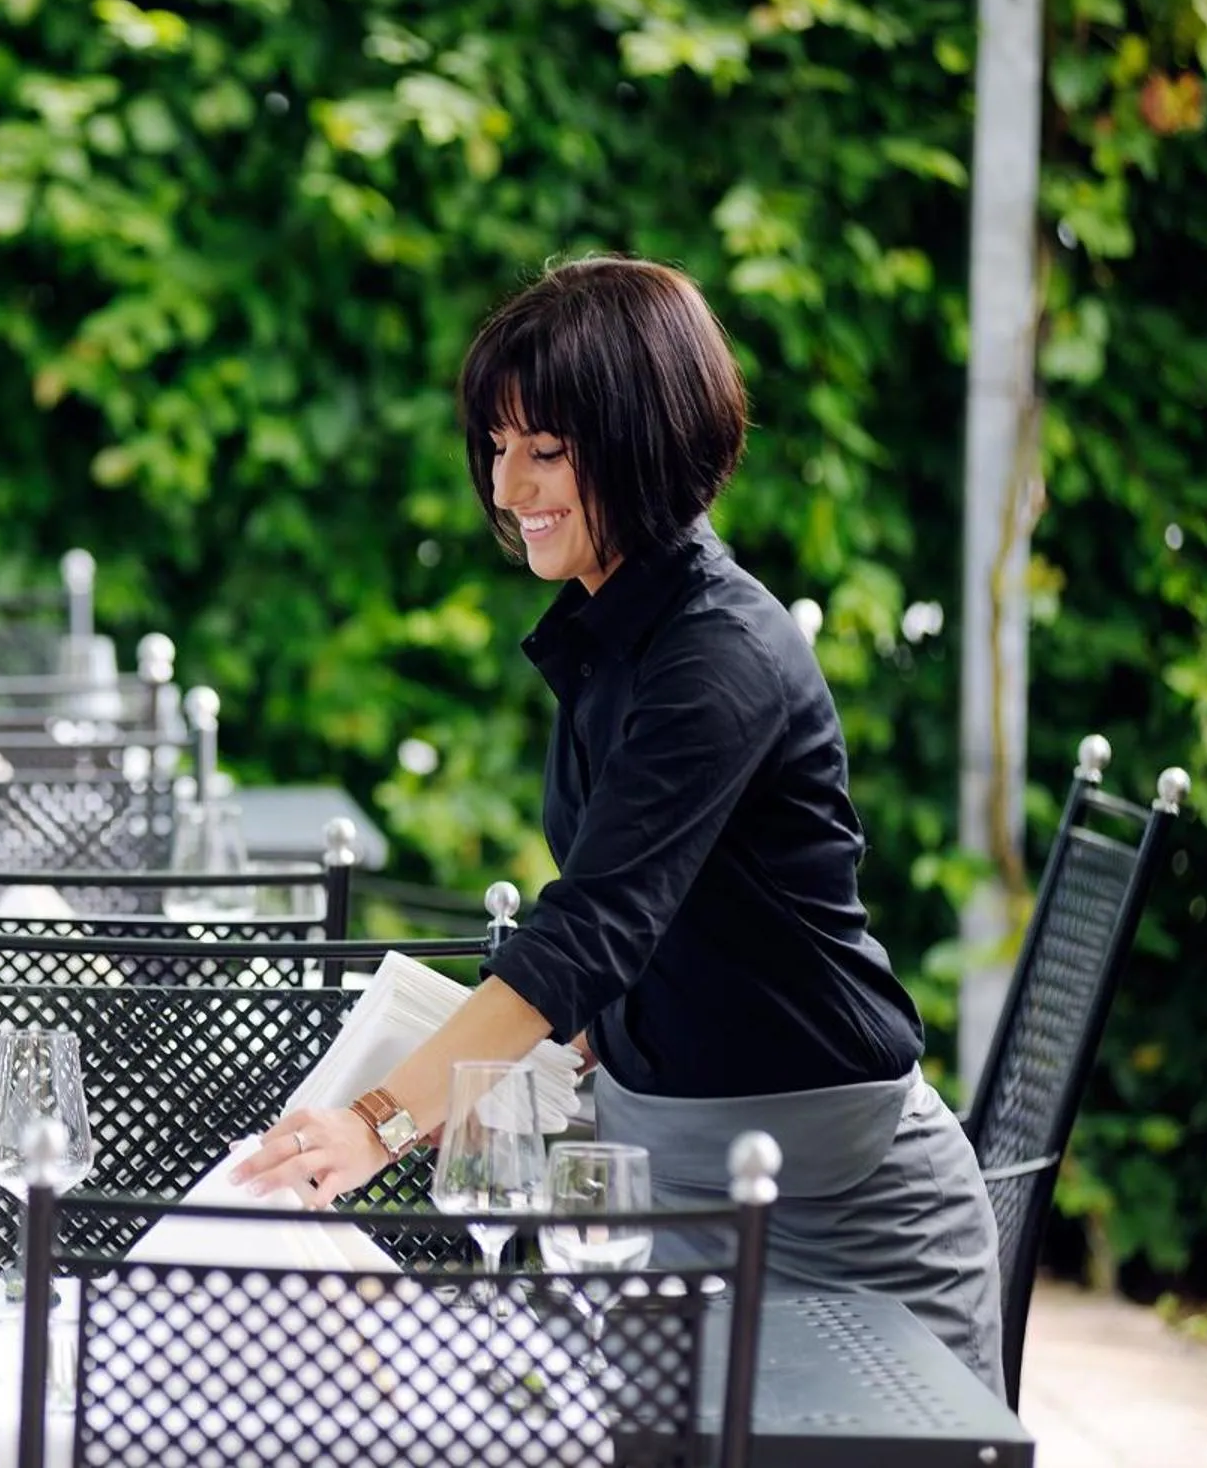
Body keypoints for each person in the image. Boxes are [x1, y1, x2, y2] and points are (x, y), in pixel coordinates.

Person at [232, 255, 1006, 1399]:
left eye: (546, 451)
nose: (507, 487)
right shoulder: (610, 633)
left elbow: (586, 935)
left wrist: (382, 1124)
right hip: (674, 1188)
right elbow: (657, 921)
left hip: (851, 1220)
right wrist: (587, 1047)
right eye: (499, 447)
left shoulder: (719, 656)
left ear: (644, 443)